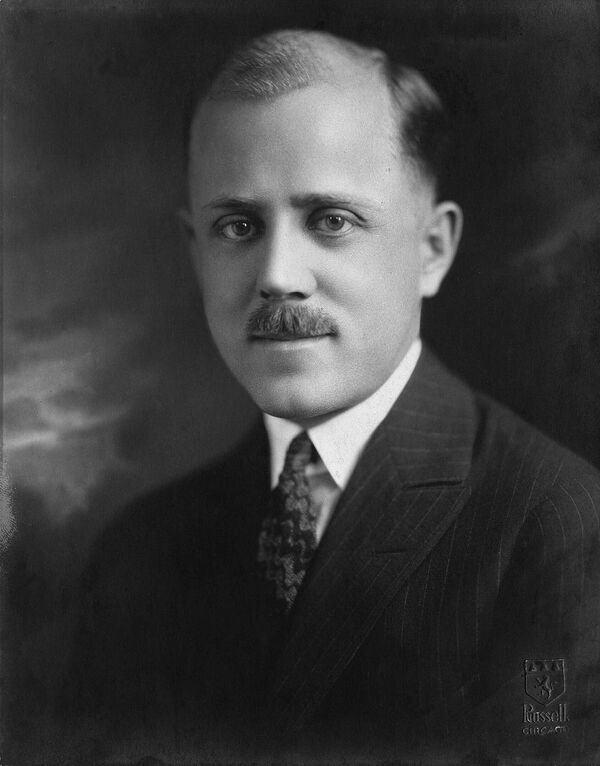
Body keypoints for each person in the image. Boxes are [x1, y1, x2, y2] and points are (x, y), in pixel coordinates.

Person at [64, 29, 600, 764]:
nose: (278, 273)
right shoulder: (138, 554)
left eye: (331, 220)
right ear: (195, 253)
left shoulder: (557, 528)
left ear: (432, 249)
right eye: (239, 225)